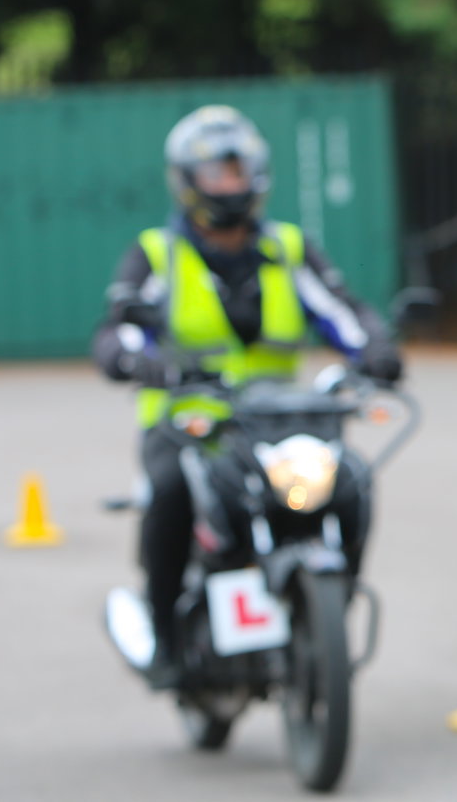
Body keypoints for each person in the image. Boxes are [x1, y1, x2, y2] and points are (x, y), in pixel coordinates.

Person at [92, 103, 404, 689]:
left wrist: (376, 350)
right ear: (187, 181)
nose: (230, 184)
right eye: (216, 172)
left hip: (278, 419)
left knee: (352, 483)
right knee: (168, 492)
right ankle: (164, 638)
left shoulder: (289, 248)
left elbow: (343, 312)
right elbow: (120, 327)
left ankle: (325, 612)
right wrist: (137, 360)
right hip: (189, 421)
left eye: (238, 171)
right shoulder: (158, 253)